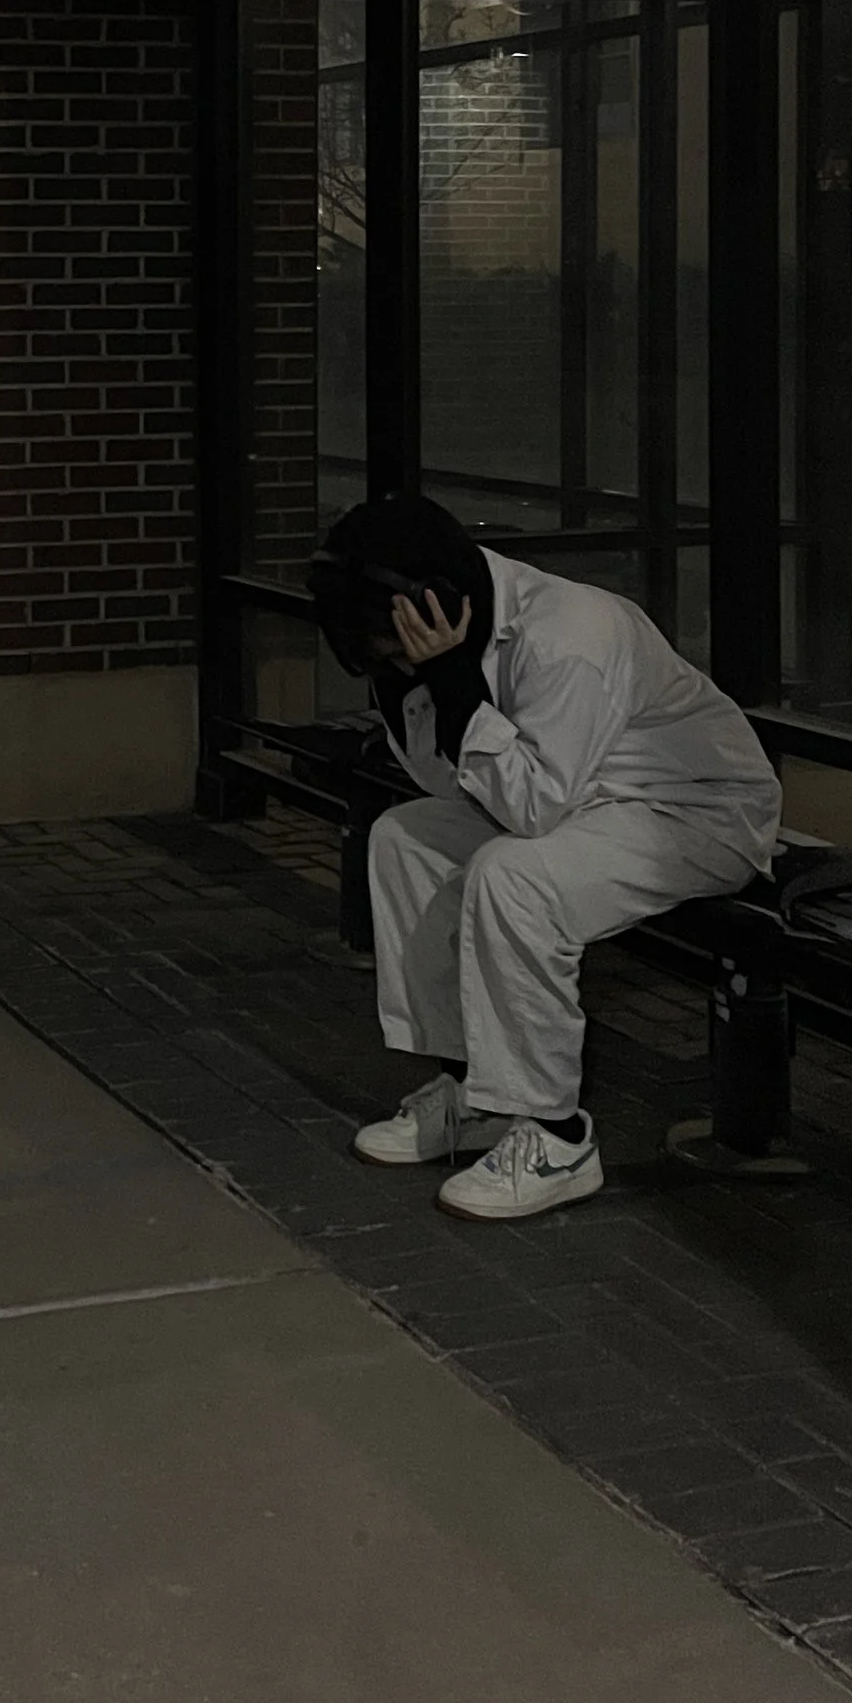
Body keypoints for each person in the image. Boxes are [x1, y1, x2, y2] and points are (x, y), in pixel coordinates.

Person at [308, 496, 780, 1224]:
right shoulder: (441, 636)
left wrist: (453, 678)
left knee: (512, 877)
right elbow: (453, 781)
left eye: (392, 648)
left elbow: (531, 811)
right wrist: (419, 678)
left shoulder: (570, 634)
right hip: (587, 798)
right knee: (406, 837)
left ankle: (555, 1136)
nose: (391, 662)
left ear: (435, 607)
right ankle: (476, 1096)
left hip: (694, 810)